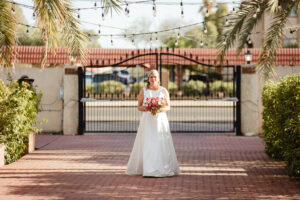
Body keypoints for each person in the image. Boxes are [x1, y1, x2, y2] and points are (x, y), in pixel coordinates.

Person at [126, 69, 180, 177]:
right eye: (151, 77)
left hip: (160, 121)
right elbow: (139, 107)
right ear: (148, 79)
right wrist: (148, 109)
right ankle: (149, 169)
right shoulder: (143, 91)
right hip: (148, 121)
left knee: (161, 143)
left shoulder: (164, 91)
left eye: (155, 77)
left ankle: (162, 167)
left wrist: (158, 109)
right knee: (149, 143)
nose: (153, 79)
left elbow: (168, 106)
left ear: (158, 78)